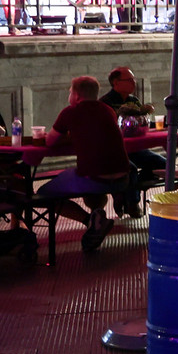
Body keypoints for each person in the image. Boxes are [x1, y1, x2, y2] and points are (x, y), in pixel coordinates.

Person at [40, 76, 133, 251]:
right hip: (123, 178)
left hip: (93, 178)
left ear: (76, 95)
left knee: (44, 193)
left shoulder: (70, 112)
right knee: (90, 182)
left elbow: (50, 141)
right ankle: (97, 218)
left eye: (70, 92)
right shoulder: (107, 110)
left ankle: (90, 221)